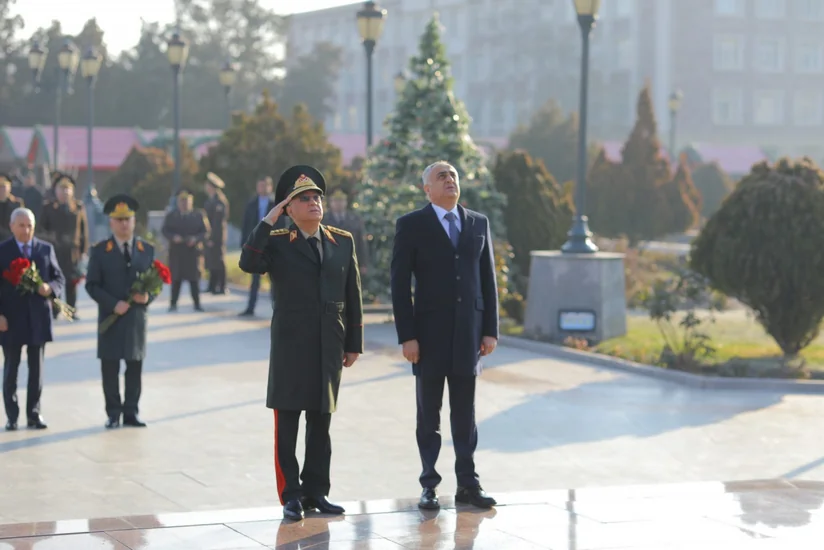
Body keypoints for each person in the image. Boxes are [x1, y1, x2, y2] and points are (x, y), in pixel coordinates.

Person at [239, 165, 363, 521]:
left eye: (317, 197)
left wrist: (353, 342)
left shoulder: (342, 242)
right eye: (303, 199)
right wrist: (267, 221)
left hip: (329, 345)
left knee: (321, 424)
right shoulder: (278, 242)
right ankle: (291, 494)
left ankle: (317, 492)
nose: (314, 203)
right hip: (291, 346)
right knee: (289, 423)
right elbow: (247, 262)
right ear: (288, 209)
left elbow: (352, 295)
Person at [390, 160, 500, 511]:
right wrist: (407, 335)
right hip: (428, 338)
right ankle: (429, 484)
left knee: (465, 416)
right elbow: (398, 284)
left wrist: (490, 330)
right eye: (442, 177)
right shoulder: (411, 225)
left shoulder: (477, 223)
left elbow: (488, 281)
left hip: (469, 336)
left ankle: (468, 484)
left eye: (453, 175)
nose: (450, 180)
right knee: (429, 416)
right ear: (427, 189)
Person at [85, 195, 157, 429]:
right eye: (119, 220)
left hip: (136, 319)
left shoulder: (146, 250)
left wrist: (147, 298)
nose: (124, 224)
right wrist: (112, 304)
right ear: (111, 222)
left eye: (128, 219)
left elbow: (156, 283)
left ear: (134, 221)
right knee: (110, 367)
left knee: (134, 367)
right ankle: (113, 412)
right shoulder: (99, 251)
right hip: (111, 318)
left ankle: (131, 412)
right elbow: (91, 285)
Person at [0, 207, 65, 431]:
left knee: (37, 369)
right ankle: (11, 415)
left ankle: (34, 414)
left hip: (38, 317)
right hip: (10, 319)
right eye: (21, 225)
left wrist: (51, 288)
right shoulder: (3, 251)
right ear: (12, 226)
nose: (26, 230)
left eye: (29, 226)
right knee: (11, 367)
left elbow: (59, 278)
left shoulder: (45, 250)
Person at [38, 174, 89, 319]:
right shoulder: (48, 208)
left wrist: (83, 250)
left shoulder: (78, 208)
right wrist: (52, 240)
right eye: (62, 189)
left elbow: (84, 231)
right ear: (56, 191)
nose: (65, 192)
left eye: (68, 189)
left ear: (72, 191)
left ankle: (71, 311)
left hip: (72, 252)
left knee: (71, 284)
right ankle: (55, 310)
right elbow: (41, 230)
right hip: (54, 251)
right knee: (55, 282)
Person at [239, 176, 284, 316]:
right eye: (260, 186)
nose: (262, 188)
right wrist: (245, 243)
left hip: (271, 245)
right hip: (256, 246)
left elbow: (281, 224)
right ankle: (250, 308)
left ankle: (276, 309)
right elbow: (246, 225)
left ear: (270, 187)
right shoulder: (252, 204)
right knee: (254, 279)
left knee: (274, 280)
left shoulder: (276, 204)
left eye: (265, 186)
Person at [161, 189, 210, 312]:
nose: (184, 204)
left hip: (193, 252)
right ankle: (173, 304)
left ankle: (197, 304)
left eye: (187, 201)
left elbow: (206, 232)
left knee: (194, 280)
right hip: (177, 253)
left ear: (191, 202)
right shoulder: (172, 215)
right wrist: (173, 237)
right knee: (176, 279)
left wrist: (196, 239)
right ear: (178, 203)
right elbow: (165, 230)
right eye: (182, 202)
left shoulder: (199, 215)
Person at [323, 188, 369, 275]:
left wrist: (363, 263)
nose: (338, 203)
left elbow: (361, 242)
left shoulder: (355, 219)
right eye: (335, 200)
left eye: (341, 200)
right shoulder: (323, 220)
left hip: (351, 261)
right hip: (330, 263)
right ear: (330, 202)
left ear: (346, 202)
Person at [203, 172, 230, 294]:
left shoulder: (220, 201)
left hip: (217, 235)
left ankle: (222, 286)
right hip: (211, 235)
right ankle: (212, 285)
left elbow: (217, 223)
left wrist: (212, 238)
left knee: (219, 259)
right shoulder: (211, 200)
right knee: (212, 259)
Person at [0, 174, 25, 242]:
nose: (1, 189)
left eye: (3, 186)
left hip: (11, 240)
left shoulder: (17, 204)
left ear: (9, 187)